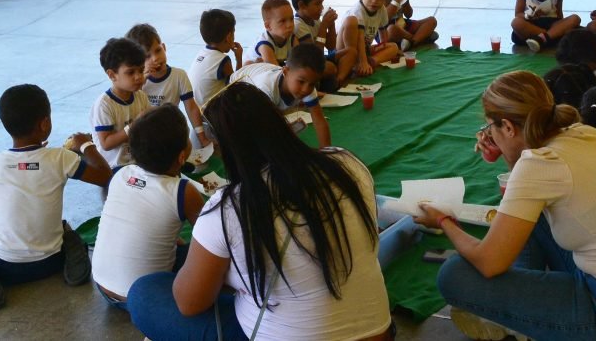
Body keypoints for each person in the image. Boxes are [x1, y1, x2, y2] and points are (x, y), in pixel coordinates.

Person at [416, 71, 596, 341]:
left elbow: (489, 262)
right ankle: (526, 319)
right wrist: (506, 149)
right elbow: (525, 186)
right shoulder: (582, 131)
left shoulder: (539, 164)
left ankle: (522, 320)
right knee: (529, 215)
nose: (488, 134)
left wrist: (444, 221)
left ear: (507, 127)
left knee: (452, 275)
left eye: (490, 128)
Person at [127, 83, 394, 341]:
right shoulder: (347, 164)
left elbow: (189, 304)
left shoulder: (228, 207)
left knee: (144, 293)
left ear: (227, 150)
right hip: (379, 332)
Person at [0, 84, 112, 309]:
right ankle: (71, 253)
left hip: (4, 265)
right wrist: (85, 144)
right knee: (64, 227)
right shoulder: (59, 158)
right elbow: (104, 175)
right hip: (50, 262)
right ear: (45, 124)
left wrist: (34, 159)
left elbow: (25, 168)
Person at [91, 104, 205, 307]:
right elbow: (211, 238)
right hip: (145, 298)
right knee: (213, 255)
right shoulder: (183, 191)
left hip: (102, 287)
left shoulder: (120, 174)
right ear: (181, 157)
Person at [126, 23, 210, 150]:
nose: (155, 58)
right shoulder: (137, 83)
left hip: (172, 132)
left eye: (158, 50)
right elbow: (128, 107)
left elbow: (191, 107)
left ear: (164, 47)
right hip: (146, 137)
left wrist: (202, 137)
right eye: (147, 56)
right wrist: (141, 82)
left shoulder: (179, 75)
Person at [230, 43, 331, 148]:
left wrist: (326, 151)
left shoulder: (307, 85)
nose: (306, 90)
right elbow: (262, 127)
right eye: (301, 82)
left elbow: (319, 120)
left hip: (259, 74)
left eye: (312, 84)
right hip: (236, 89)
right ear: (286, 72)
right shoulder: (266, 88)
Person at [90, 38, 150, 168]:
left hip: (138, 161)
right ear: (112, 75)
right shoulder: (104, 104)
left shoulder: (141, 97)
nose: (139, 76)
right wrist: (134, 125)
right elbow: (106, 143)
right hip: (114, 166)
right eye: (131, 72)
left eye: (141, 70)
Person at [291, 0, 355, 90]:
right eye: (317, 3)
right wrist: (323, 25)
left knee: (351, 51)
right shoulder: (298, 25)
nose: (321, 8)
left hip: (321, 59)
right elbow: (315, 57)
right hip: (308, 65)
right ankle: (331, 81)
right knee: (330, 67)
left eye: (322, 3)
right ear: (301, 5)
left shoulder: (314, 20)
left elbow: (331, 46)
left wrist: (331, 25)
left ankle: (339, 80)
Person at [337, 0, 401, 81]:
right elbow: (359, 39)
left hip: (364, 49)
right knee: (351, 21)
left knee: (393, 47)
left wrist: (384, 48)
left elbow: (383, 36)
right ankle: (357, 63)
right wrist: (363, 62)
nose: (374, 1)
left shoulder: (382, 10)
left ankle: (372, 61)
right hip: (345, 50)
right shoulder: (358, 11)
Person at [188, 9, 243, 109]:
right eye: (233, 33)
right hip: (213, 115)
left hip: (197, 111)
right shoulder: (222, 60)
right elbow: (236, 88)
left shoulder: (202, 52)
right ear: (229, 37)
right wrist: (239, 59)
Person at [252, 0, 298, 65]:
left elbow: (299, 62)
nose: (290, 25)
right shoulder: (265, 45)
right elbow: (275, 72)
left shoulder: (292, 39)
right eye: (282, 21)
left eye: (291, 19)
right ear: (268, 26)